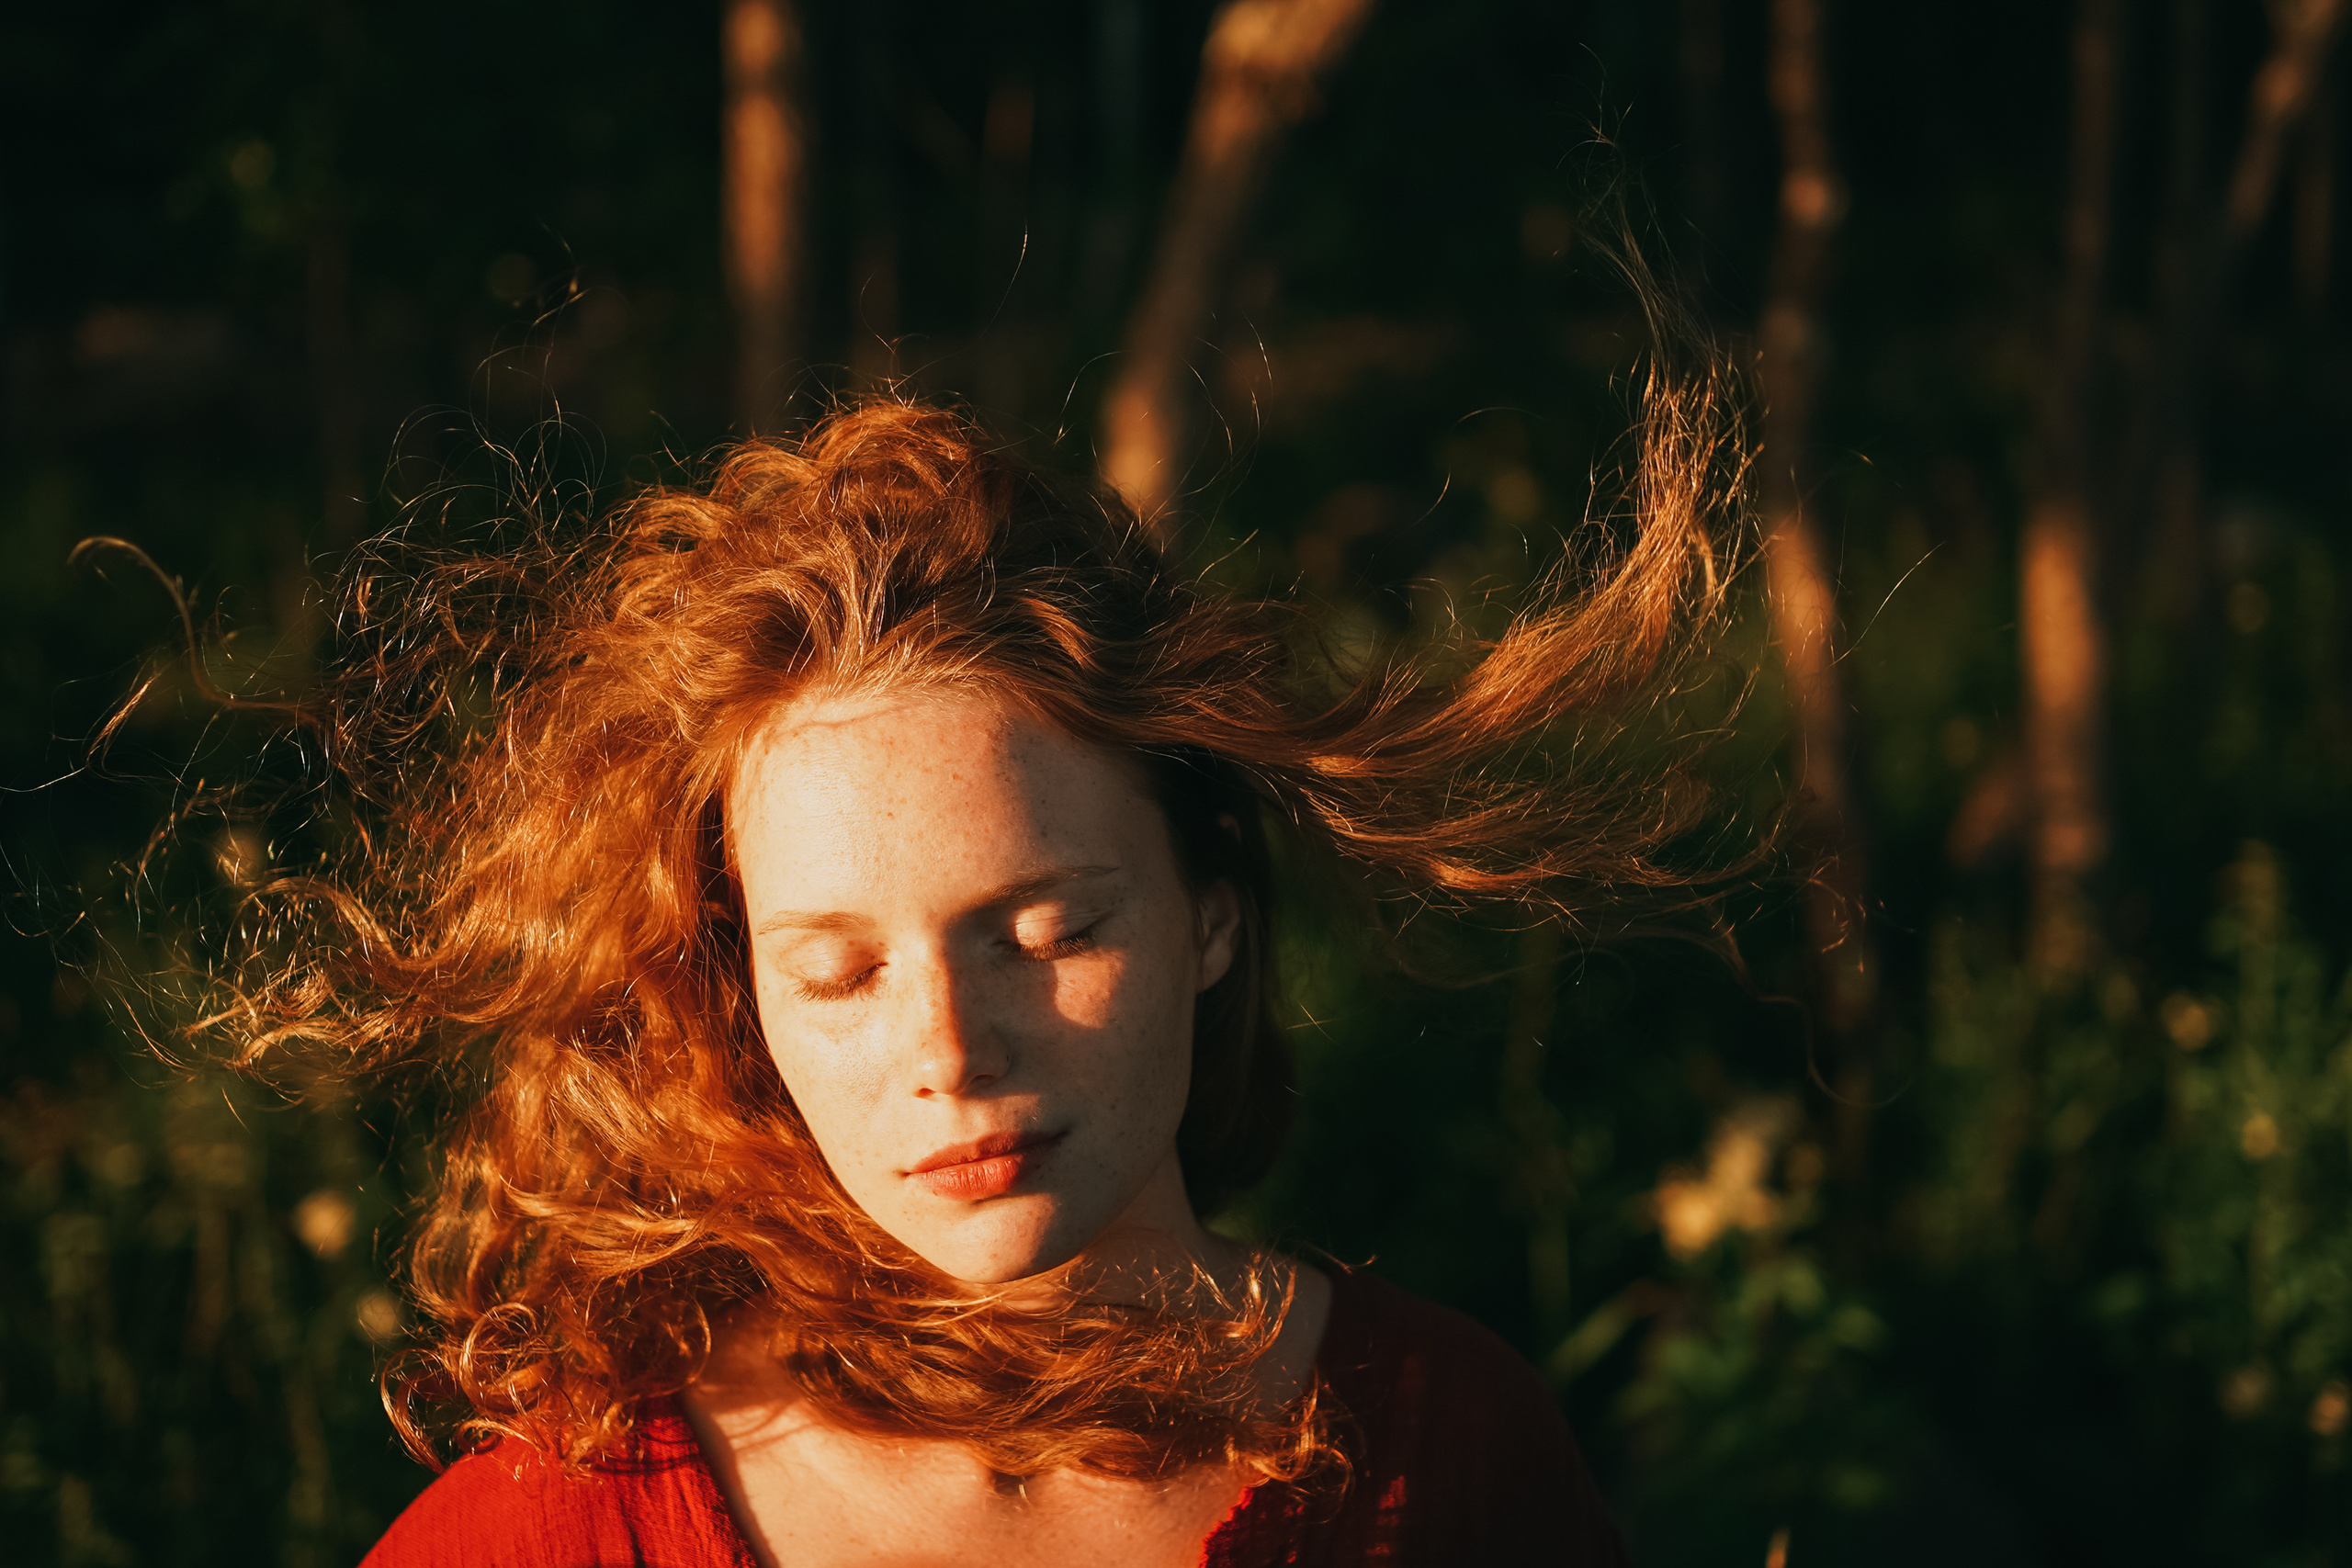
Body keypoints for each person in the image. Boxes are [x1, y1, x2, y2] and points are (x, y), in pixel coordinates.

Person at [199, 367, 1734, 1564]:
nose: (951, 1050)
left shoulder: (1452, 1456)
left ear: (1211, 911)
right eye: (837, 973)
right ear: (744, 1000)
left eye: (1046, 930)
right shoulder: (582, 1520)